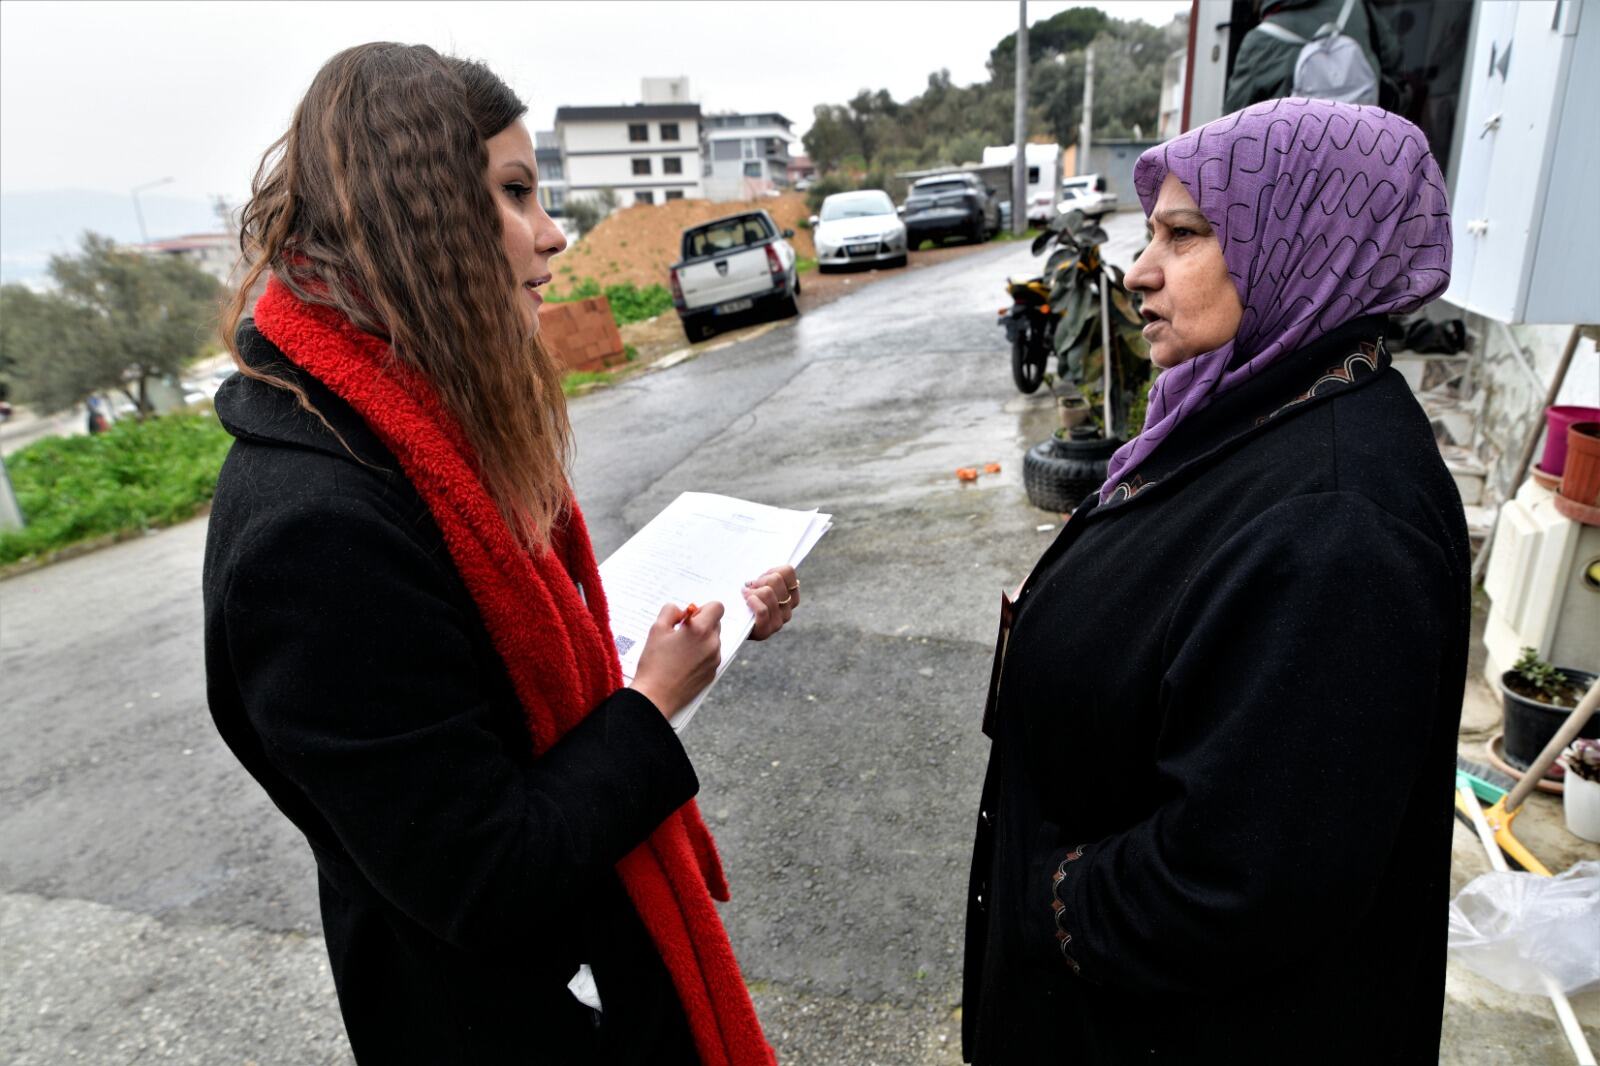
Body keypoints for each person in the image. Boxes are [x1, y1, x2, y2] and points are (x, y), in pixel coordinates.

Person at [202, 44, 797, 1065]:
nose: (553, 235)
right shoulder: (315, 535)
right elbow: (482, 877)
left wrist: (697, 636)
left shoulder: (407, 437)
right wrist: (646, 704)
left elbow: (510, 693)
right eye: (515, 193)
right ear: (414, 217)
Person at [962, 98, 1466, 1063]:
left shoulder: (1338, 523)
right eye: (1149, 233)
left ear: (1303, 241)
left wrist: (1050, 900)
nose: (1141, 270)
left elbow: (1240, 884)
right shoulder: (1247, 404)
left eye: (1184, 235)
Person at [1225, 0, 1401, 112]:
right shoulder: (1356, 6)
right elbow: (1394, 66)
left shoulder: (1259, 41)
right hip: (1364, 151)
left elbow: (1232, 123)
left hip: (1294, 164)